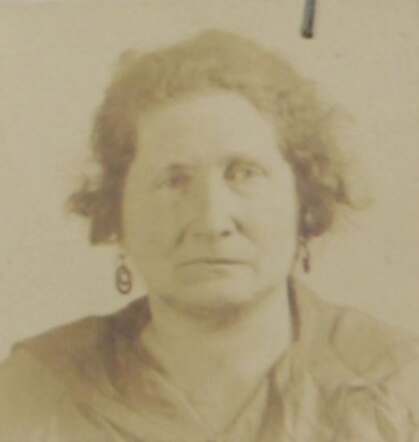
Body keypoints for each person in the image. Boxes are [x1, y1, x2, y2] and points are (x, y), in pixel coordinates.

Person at [0, 29, 418, 442]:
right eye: (174, 181)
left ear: (304, 200)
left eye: (244, 174)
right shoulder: (39, 390)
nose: (212, 220)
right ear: (117, 213)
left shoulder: (398, 383)